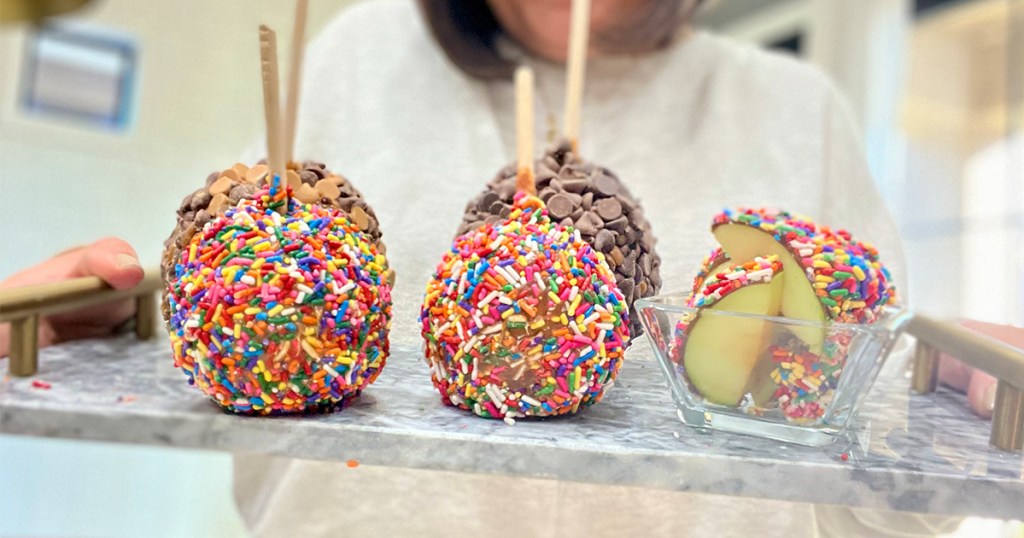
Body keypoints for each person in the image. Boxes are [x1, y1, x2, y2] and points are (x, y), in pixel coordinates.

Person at [0, 0, 1011, 535]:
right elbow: (236, 305)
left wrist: (973, 417)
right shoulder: (356, 54)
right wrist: (108, 319)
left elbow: (872, 496)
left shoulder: (799, 111)